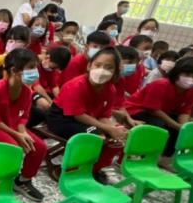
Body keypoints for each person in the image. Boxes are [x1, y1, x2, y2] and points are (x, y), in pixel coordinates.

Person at [47, 46, 131, 182]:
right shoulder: (76, 85)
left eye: (109, 67)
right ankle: (68, 170)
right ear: (89, 65)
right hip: (62, 119)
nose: (102, 70)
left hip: (88, 120)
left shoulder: (110, 89)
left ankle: (94, 169)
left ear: (115, 72)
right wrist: (107, 128)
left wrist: (114, 128)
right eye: (98, 65)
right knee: (97, 136)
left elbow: (104, 116)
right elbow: (78, 115)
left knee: (117, 140)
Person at [0, 48, 46, 201]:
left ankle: (23, 181)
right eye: (30, 67)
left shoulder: (26, 91)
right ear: (14, 70)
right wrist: (17, 135)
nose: (35, 72)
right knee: (13, 147)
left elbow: (23, 116)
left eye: (35, 67)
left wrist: (22, 132)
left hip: (10, 125)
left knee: (39, 147)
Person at [125, 55, 193, 158]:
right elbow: (153, 110)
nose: (191, 79)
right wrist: (176, 125)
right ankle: (145, 156)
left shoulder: (191, 92)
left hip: (159, 113)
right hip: (136, 110)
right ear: (177, 73)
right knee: (159, 126)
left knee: (181, 129)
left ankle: (165, 157)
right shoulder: (160, 85)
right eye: (187, 74)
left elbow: (184, 112)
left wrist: (183, 127)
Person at [30, 45, 71, 126]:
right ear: (47, 57)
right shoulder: (33, 62)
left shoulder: (51, 68)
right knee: (45, 104)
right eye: (54, 67)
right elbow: (36, 86)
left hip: (43, 91)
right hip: (30, 89)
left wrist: (60, 101)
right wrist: (50, 101)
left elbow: (54, 86)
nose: (54, 69)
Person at [0, 25, 31, 89]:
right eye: (11, 40)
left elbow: (27, 84)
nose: (13, 43)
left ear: (26, 44)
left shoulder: (26, 62)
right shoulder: (2, 58)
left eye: (18, 41)